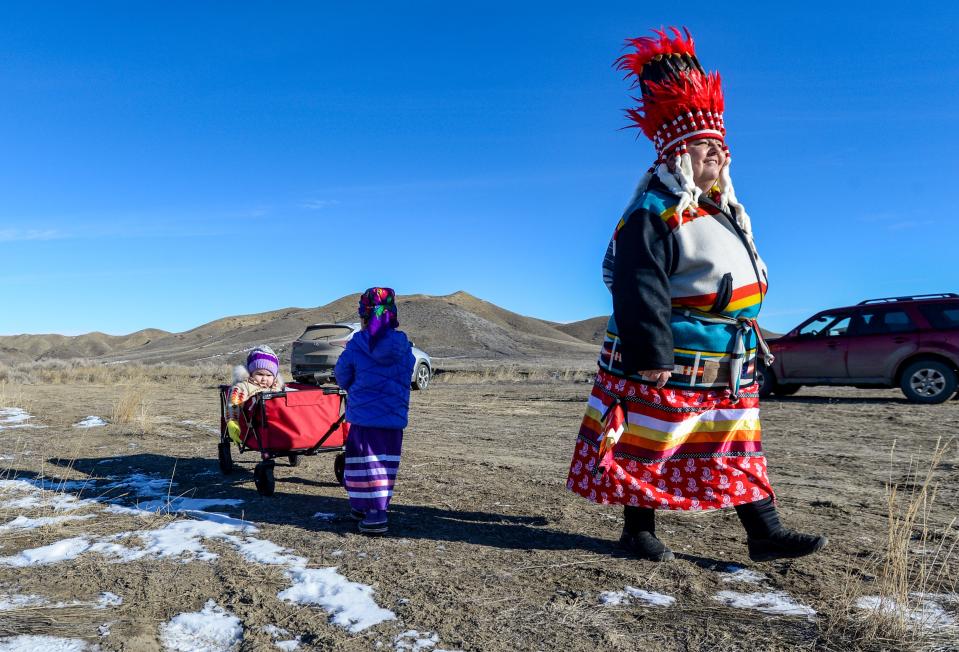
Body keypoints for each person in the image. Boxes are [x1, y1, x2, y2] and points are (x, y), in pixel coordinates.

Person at [566, 28, 826, 563]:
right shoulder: (654, 212)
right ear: (678, 153)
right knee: (645, 441)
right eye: (707, 147)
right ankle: (637, 531)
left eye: (722, 147)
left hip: (728, 354)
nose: (719, 154)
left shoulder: (723, 211)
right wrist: (651, 354)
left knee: (734, 440)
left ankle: (763, 532)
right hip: (673, 352)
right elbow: (639, 285)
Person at [334, 287, 416, 535]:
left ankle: (374, 514)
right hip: (393, 421)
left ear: (364, 318)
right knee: (383, 466)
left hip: (364, 419)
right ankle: (368, 507)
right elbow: (408, 373)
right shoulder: (405, 348)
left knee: (362, 466)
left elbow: (342, 376)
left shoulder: (357, 345)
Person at [225, 345, 284, 444]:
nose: (264, 379)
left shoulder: (277, 388)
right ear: (251, 373)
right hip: (254, 428)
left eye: (269, 375)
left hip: (277, 426)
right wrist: (232, 420)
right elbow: (233, 404)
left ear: (274, 376)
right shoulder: (243, 387)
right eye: (260, 374)